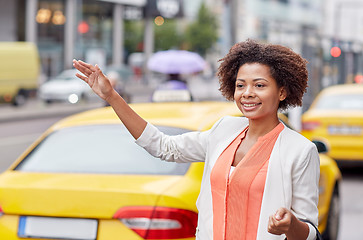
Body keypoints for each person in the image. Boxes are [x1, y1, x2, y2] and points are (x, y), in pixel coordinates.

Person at [73, 39, 320, 240]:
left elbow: (310, 232)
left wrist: (289, 225)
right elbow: (163, 146)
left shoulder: (300, 151)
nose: (247, 93)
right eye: (240, 85)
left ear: (282, 91)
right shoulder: (224, 129)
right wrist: (112, 96)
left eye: (259, 85)